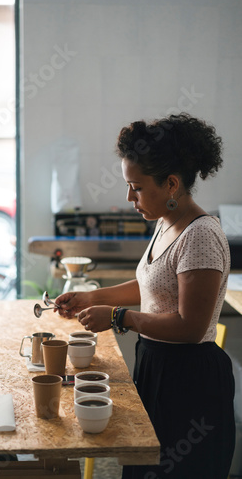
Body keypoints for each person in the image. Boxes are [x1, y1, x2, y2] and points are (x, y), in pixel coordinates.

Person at [55, 113, 235, 479]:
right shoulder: (166, 223)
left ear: (171, 184)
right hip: (157, 364)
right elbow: (152, 286)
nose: (128, 197)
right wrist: (90, 298)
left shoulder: (200, 236)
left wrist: (120, 318)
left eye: (136, 187)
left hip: (189, 379)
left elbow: (190, 325)